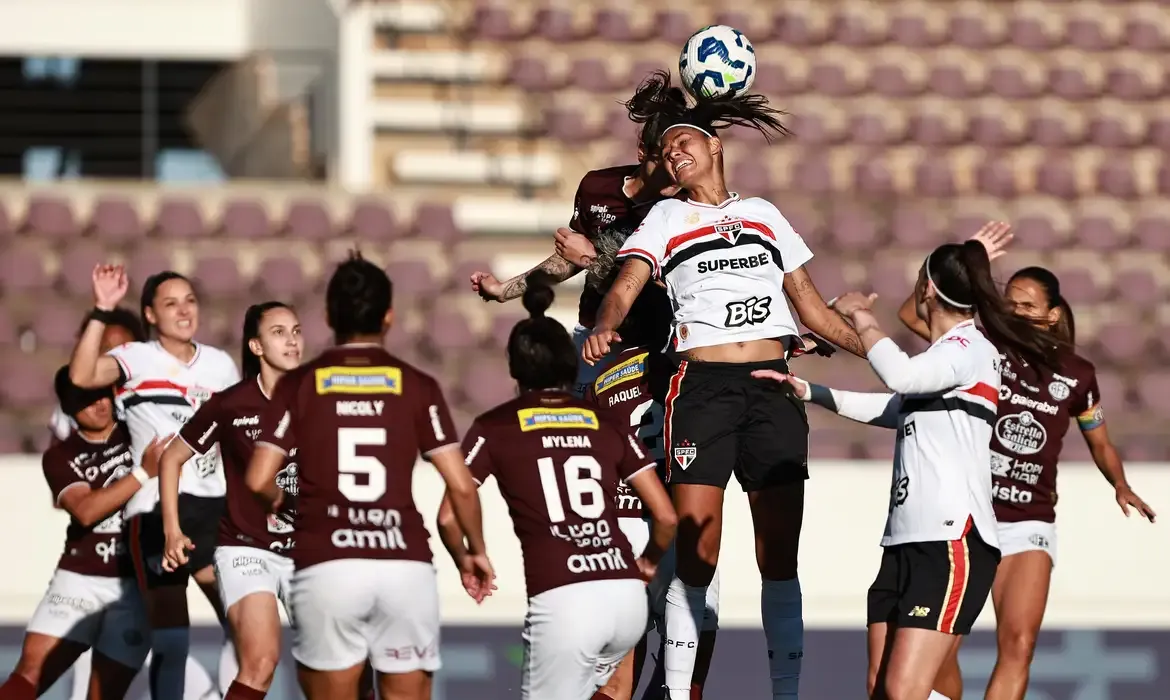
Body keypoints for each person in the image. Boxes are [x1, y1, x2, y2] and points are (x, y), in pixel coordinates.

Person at [582, 89, 867, 700]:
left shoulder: (766, 214)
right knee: (698, 550)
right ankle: (682, 694)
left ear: (714, 145)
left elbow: (813, 309)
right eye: (663, 148)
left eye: (682, 141)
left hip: (772, 387)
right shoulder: (664, 219)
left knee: (778, 555)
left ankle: (785, 692)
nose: (673, 153)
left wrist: (883, 353)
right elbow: (627, 284)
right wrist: (607, 321)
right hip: (701, 389)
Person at [761, 240, 1075, 700]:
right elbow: (897, 406)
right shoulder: (945, 355)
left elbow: (901, 377)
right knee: (883, 689)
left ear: (927, 288)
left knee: (905, 689)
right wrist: (808, 391)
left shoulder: (970, 347)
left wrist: (862, 318)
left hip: (950, 541)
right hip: (904, 541)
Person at [892, 226, 1157, 700]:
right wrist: (966, 260)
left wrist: (1119, 483)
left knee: (1019, 643)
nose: (1015, 311)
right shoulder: (984, 343)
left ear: (1053, 315)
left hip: (1030, 520)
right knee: (943, 651)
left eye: (1027, 305)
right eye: (1009, 302)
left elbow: (1100, 441)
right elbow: (911, 313)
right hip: (973, 516)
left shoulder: (1079, 375)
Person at [244, 251, 492, 700]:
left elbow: (259, 480)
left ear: (326, 315)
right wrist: (475, 552)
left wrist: (284, 507)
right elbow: (460, 486)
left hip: (328, 565)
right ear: (389, 317)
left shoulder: (299, 384)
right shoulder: (417, 384)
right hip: (403, 565)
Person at [435, 276, 678, 700]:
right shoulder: (601, 420)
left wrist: (469, 555)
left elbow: (448, 513)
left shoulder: (497, 425)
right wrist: (649, 562)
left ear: (514, 370)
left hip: (564, 594)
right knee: (615, 687)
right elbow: (666, 515)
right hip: (624, 594)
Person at [67, 265, 241, 699]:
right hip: (156, 511)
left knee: (244, 625)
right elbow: (82, 377)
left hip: (213, 509)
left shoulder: (220, 365)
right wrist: (103, 309)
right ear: (150, 314)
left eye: (190, 301)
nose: (183, 311)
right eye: (170, 303)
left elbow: (240, 435)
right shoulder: (137, 358)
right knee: (172, 640)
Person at [470, 70, 686, 395]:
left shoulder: (686, 206)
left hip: (655, 346)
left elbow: (672, 287)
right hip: (594, 344)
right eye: (663, 160)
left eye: (679, 160)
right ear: (643, 150)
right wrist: (504, 290)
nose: (674, 172)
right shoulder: (597, 187)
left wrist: (589, 259)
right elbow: (565, 260)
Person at [156, 302, 302, 700]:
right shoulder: (230, 403)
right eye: (278, 332)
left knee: (345, 670)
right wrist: (172, 529)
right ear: (255, 346)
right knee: (260, 662)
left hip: (307, 550)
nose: (292, 339)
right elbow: (171, 457)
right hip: (245, 547)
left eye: (296, 330)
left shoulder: (319, 398)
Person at [0, 368, 162, 700]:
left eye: (103, 393)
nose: (100, 404)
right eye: (87, 398)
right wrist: (144, 472)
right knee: (29, 675)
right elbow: (86, 509)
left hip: (135, 585)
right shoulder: (60, 456)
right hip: (79, 577)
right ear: (69, 405)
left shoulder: (140, 432)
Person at [49, 307, 146, 444]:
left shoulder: (154, 396)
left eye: (124, 351)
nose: (114, 360)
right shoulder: (76, 402)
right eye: (106, 350)